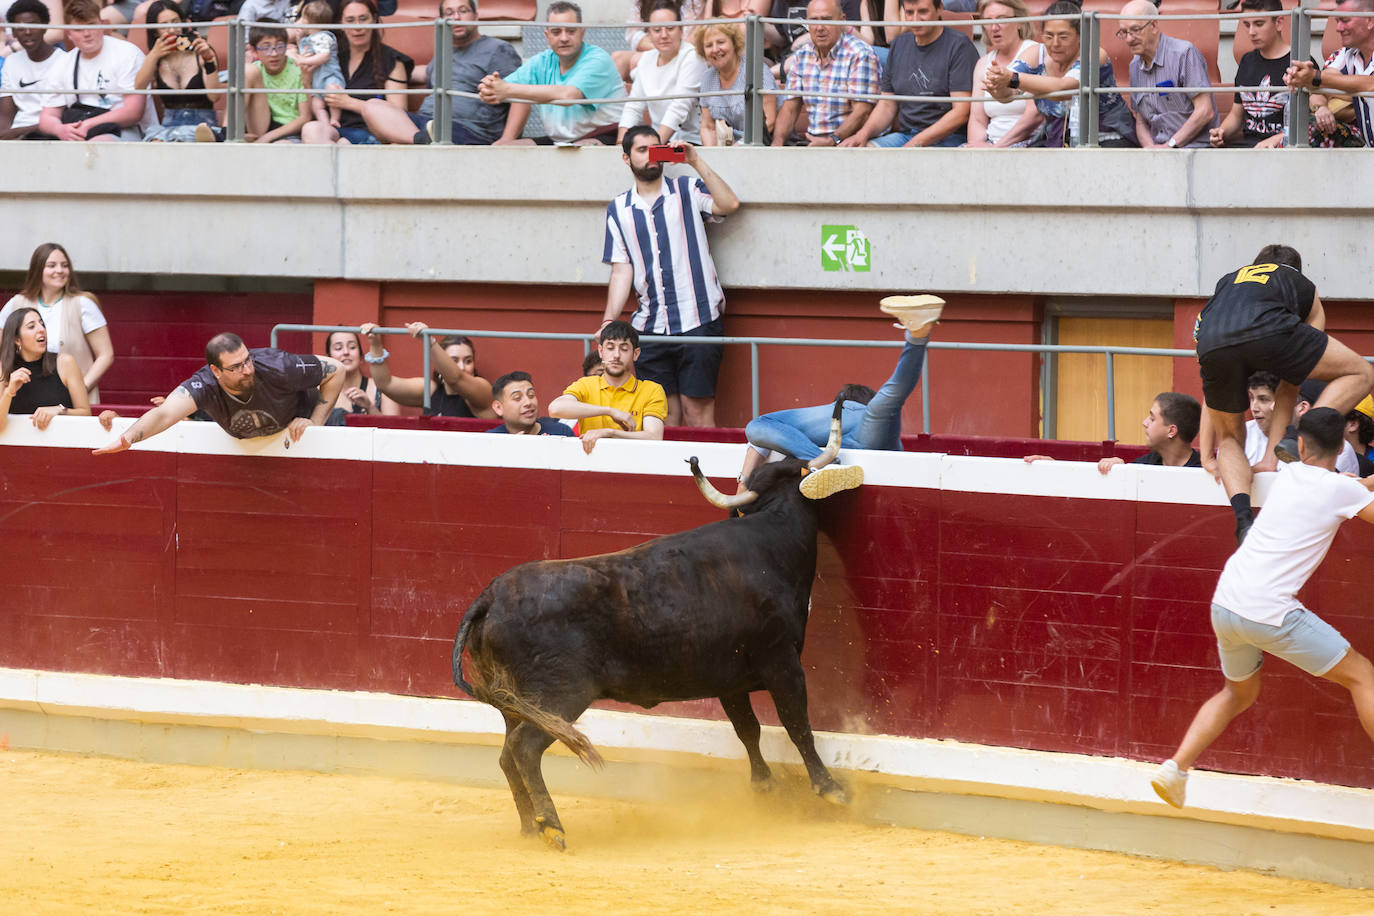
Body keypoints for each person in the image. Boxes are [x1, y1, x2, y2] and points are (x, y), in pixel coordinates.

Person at [1149, 407, 1374, 810]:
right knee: (1363, 677)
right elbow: (1356, 495)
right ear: (1342, 447)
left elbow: (1350, 486)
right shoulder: (1343, 489)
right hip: (1269, 612)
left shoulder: (1289, 475)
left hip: (1226, 603)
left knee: (1238, 692)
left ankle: (1176, 768)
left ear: (1300, 445)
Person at [1194, 244, 1374, 544]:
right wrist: (1290, 434)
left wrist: (1205, 453)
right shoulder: (1300, 284)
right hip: (1270, 332)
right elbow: (1294, 378)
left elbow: (1208, 387)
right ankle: (1300, 433)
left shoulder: (1225, 285)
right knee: (1362, 373)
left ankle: (1243, 520)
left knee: (1229, 440)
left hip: (1212, 343)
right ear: (1294, 270)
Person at [601, 126, 739, 427]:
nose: (651, 156)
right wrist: (608, 321)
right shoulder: (619, 209)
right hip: (650, 327)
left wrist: (695, 160)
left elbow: (729, 204)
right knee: (662, 419)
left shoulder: (687, 189)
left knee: (698, 413)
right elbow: (621, 268)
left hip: (698, 319)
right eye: (642, 150)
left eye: (656, 148)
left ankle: (708, 475)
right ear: (626, 158)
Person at [741, 295, 942, 494]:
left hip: (833, 434)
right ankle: (917, 337)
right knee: (891, 395)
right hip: (867, 432)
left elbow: (761, 434)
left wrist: (743, 481)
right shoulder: (874, 421)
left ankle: (826, 464)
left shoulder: (830, 420)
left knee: (757, 425)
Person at [93, 333, 345, 452]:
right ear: (215, 370)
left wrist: (315, 421)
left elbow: (336, 369)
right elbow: (165, 414)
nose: (247, 370)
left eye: (247, 360)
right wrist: (126, 440)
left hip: (297, 431)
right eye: (236, 367)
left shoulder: (277, 365)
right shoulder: (204, 384)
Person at [358, 0, 521, 146]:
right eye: (449, 13)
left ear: (476, 16)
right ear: (441, 21)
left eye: (463, 11)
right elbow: (422, 73)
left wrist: (508, 139)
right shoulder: (444, 52)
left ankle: (418, 142)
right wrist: (383, 69)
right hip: (425, 125)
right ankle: (421, 140)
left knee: (395, 145)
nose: (456, 17)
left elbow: (519, 94)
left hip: (469, 130)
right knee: (372, 107)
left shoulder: (498, 49)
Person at [984, 0, 1136, 148]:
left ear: (1080, 36)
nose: (1055, 44)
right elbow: (1008, 93)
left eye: (1063, 37)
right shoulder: (1035, 55)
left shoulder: (1094, 54)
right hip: (1057, 140)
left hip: (1108, 139)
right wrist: (997, 87)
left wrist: (1011, 78)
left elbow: (1063, 90)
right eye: (1049, 36)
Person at [479, 1, 626, 146]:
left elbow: (569, 96)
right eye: (556, 32)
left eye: (571, 31)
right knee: (503, 149)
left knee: (581, 150)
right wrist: (489, 86)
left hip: (606, 135)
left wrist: (506, 89)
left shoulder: (598, 59)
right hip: (561, 141)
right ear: (547, 35)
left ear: (582, 32)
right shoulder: (542, 60)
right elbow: (506, 87)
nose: (563, 38)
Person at [842, 0, 977, 148]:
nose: (915, 19)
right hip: (906, 135)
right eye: (909, 12)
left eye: (923, 12)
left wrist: (915, 144)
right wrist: (862, 134)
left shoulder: (959, 46)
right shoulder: (899, 45)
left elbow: (961, 112)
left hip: (948, 138)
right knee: (863, 152)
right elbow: (887, 104)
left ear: (939, 9)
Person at [0, 242, 113, 402]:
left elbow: (106, 354)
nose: (59, 270)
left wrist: (81, 388)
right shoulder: (16, 303)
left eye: (65, 265)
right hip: (24, 400)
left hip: (74, 403)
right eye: (52, 265)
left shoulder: (82, 304)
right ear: (38, 270)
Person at [36, 0, 156, 141]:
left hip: (128, 130)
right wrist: (60, 130)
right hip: (79, 128)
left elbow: (133, 112)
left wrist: (88, 124)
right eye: (79, 29)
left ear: (102, 25)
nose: (86, 34)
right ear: (68, 34)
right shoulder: (63, 63)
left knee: (96, 144)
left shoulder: (127, 53)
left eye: (91, 25)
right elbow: (47, 116)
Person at [300, 0, 410, 145]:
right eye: (350, 20)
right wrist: (307, 80)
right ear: (341, 24)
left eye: (363, 19)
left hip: (372, 133)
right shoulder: (331, 57)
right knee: (311, 128)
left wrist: (348, 103)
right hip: (336, 129)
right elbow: (312, 109)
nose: (357, 27)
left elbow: (399, 115)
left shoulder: (392, 60)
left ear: (375, 20)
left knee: (344, 143)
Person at [549, 320, 667, 454]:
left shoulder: (651, 390)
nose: (616, 355)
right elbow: (555, 408)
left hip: (634, 464)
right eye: (610, 348)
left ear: (636, 354)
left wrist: (610, 433)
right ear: (600, 351)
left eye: (624, 349)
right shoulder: (586, 384)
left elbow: (654, 437)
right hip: (591, 464)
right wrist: (609, 411)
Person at [771, 0, 878, 146]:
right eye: (814, 21)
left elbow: (862, 112)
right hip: (814, 142)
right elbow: (789, 107)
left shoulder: (860, 54)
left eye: (827, 20)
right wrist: (777, 143)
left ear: (842, 21)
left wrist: (832, 140)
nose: (819, 28)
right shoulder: (802, 55)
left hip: (850, 142)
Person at [1120, 0, 1216, 149]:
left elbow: (1205, 111)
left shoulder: (1183, 54)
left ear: (1153, 26)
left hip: (1194, 149)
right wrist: (1150, 149)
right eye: (1124, 32)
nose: (1129, 39)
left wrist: (1170, 145)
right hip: (1158, 151)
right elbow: (1141, 121)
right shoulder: (1134, 66)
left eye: (1135, 30)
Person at [1284, 0, 1374, 148]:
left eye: (1345, 21)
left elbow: (1370, 84)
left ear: (1370, 21)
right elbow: (1322, 83)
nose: (1338, 28)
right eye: (1337, 21)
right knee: (1309, 129)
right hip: (1369, 152)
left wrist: (1314, 77)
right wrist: (1299, 77)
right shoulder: (1348, 53)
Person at [359, 321, 495, 419]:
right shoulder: (431, 390)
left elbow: (456, 379)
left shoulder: (482, 388)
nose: (461, 367)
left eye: (468, 361)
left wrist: (429, 341)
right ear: (439, 364)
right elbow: (385, 384)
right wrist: (375, 344)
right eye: (453, 361)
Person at [617, 0, 707, 145]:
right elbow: (633, 106)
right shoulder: (647, 59)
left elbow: (679, 107)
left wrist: (653, 148)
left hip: (689, 141)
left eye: (670, 28)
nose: (663, 35)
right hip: (660, 140)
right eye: (657, 30)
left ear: (681, 30)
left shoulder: (692, 56)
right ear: (649, 34)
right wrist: (620, 145)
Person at [1209, 0, 1296, 149]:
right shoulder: (1247, 61)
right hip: (1247, 149)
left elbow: (1309, 124)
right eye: (1246, 25)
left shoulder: (1298, 62)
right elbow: (1236, 115)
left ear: (1279, 23)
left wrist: (1279, 138)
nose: (1251, 32)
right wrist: (1221, 132)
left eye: (1259, 24)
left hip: (1283, 151)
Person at [135, 0, 223, 143]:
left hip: (202, 124)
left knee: (187, 139)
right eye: (163, 25)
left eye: (176, 21)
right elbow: (139, 88)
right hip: (168, 125)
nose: (171, 29)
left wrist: (208, 60)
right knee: (155, 142)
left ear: (185, 23)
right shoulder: (156, 59)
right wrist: (153, 55)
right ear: (155, 31)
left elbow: (214, 97)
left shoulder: (201, 50)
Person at [0, 307, 91, 434]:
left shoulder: (65, 362)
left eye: (42, 324)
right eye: (31, 326)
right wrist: (9, 392)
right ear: (17, 339)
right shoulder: (3, 368)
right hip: (18, 449)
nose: (41, 329)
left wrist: (59, 410)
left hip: (61, 444)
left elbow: (86, 413)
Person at [964, 0, 1040, 148]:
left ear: (1019, 22)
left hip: (1027, 143)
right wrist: (976, 147)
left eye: (1002, 19)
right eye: (988, 21)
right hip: (991, 143)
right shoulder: (982, 64)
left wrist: (996, 149)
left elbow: (1035, 115)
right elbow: (977, 119)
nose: (994, 27)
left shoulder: (1034, 52)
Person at [696, 21, 776, 145]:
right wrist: (713, 156)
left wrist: (738, 148)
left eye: (721, 42)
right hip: (726, 150)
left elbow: (769, 122)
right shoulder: (707, 77)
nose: (715, 49)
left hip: (761, 145)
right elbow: (708, 127)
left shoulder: (755, 70)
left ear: (734, 43)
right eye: (709, 45)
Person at [0, 0, 67, 140]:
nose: (28, 32)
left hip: (53, 134)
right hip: (18, 137)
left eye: (33, 26)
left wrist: (23, 130)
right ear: (13, 31)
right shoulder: (11, 62)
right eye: (20, 28)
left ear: (44, 26)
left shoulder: (65, 61)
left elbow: (67, 114)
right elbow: (5, 117)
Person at [1092, 393, 1202, 474]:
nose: (1144, 423)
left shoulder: (1203, 473)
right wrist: (1120, 470)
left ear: (1171, 431)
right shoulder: (1143, 465)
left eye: (1152, 419)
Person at [244, 20, 312, 143]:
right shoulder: (254, 70)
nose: (274, 54)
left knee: (282, 145)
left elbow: (305, 117)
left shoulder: (298, 70)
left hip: (288, 132)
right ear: (254, 51)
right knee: (247, 70)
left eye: (280, 46)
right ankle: (225, 132)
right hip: (259, 126)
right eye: (266, 48)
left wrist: (267, 137)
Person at [324, 329, 398, 424]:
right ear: (329, 357)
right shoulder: (319, 392)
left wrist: (370, 407)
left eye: (352, 347)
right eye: (338, 348)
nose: (346, 352)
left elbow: (393, 432)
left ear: (361, 355)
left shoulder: (383, 390)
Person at [294, 0, 345, 131]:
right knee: (317, 105)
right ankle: (325, 124)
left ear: (308, 21)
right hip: (316, 80)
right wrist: (299, 39)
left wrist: (303, 61)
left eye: (303, 17)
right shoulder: (309, 38)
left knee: (332, 92)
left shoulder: (323, 36)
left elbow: (324, 56)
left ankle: (334, 118)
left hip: (329, 76)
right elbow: (304, 51)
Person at [487, 371, 575, 435]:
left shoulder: (561, 432)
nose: (528, 402)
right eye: (517, 398)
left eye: (531, 395)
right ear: (498, 408)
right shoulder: (492, 440)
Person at [1242, 370, 1279, 466]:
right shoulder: (1242, 434)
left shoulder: (1302, 438)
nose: (1254, 408)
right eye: (1251, 398)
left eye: (1263, 399)